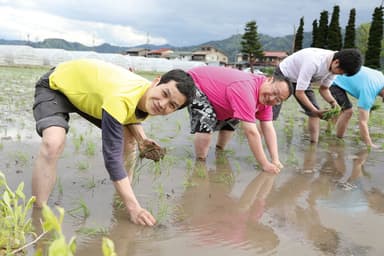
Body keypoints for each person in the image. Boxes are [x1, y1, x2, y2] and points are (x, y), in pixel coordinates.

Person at [31, 58, 196, 226]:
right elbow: (112, 158)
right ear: (156, 81)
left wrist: (142, 139)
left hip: (89, 94)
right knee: (53, 142)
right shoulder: (121, 97)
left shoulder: (147, 94)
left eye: (172, 105)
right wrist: (134, 208)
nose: (162, 104)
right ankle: (38, 213)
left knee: (129, 141)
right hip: (56, 85)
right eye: (165, 94)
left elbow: (130, 113)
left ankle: (122, 197)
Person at [187, 66, 293, 174]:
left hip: (220, 94)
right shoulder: (246, 89)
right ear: (269, 80)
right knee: (206, 120)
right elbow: (252, 132)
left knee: (234, 119)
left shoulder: (266, 102)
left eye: (278, 99)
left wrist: (275, 160)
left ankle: (219, 150)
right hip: (194, 82)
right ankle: (200, 163)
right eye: (274, 92)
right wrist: (265, 164)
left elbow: (268, 128)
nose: (272, 98)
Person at [273, 47, 362, 143]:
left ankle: (313, 144)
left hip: (302, 79)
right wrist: (315, 111)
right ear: (336, 62)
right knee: (272, 113)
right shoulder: (314, 62)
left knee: (314, 114)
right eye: (341, 72)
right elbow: (299, 93)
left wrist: (333, 103)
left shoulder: (335, 67)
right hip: (284, 73)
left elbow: (324, 89)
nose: (341, 74)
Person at [330, 66, 384, 148]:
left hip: (340, 72)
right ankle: (338, 140)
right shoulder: (369, 92)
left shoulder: (381, 76)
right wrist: (369, 144)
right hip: (333, 81)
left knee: (341, 109)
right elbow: (362, 122)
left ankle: (330, 125)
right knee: (348, 111)